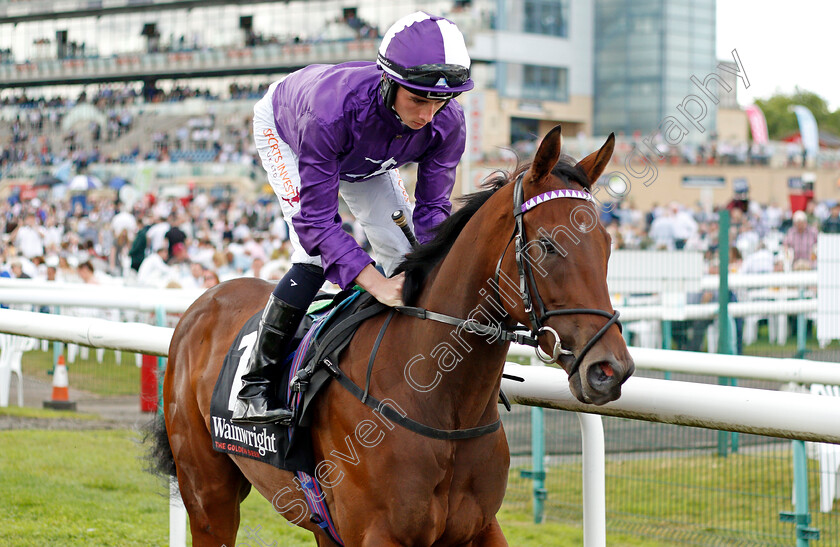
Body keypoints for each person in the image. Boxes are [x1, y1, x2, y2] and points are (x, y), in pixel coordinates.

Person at [232, 11, 473, 425]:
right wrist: (375, 283)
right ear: (388, 82)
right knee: (312, 257)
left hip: (367, 155)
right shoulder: (330, 113)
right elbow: (318, 224)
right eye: (418, 99)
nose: (427, 116)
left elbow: (433, 212)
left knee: (405, 252)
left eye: (441, 101)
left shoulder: (447, 124)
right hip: (289, 129)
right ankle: (252, 384)